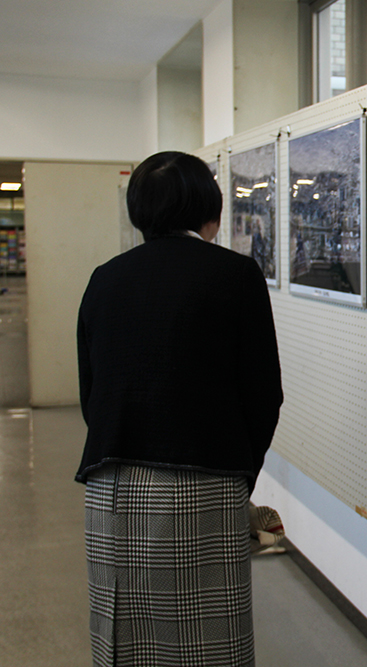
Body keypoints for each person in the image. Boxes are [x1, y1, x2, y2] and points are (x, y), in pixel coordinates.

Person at [75, 151, 283, 667]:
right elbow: (263, 393)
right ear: (209, 211)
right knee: (208, 646)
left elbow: (92, 390)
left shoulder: (105, 278)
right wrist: (239, 475)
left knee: (123, 639)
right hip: (202, 484)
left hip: (110, 488)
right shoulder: (235, 274)